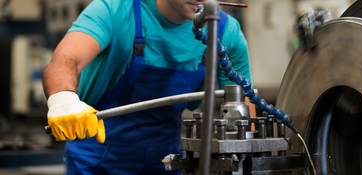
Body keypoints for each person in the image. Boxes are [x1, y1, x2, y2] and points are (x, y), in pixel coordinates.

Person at [42, 0, 251, 174]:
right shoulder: (116, 9)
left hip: (167, 159)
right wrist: (63, 100)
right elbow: (65, 60)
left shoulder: (224, 31)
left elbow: (242, 106)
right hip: (97, 159)